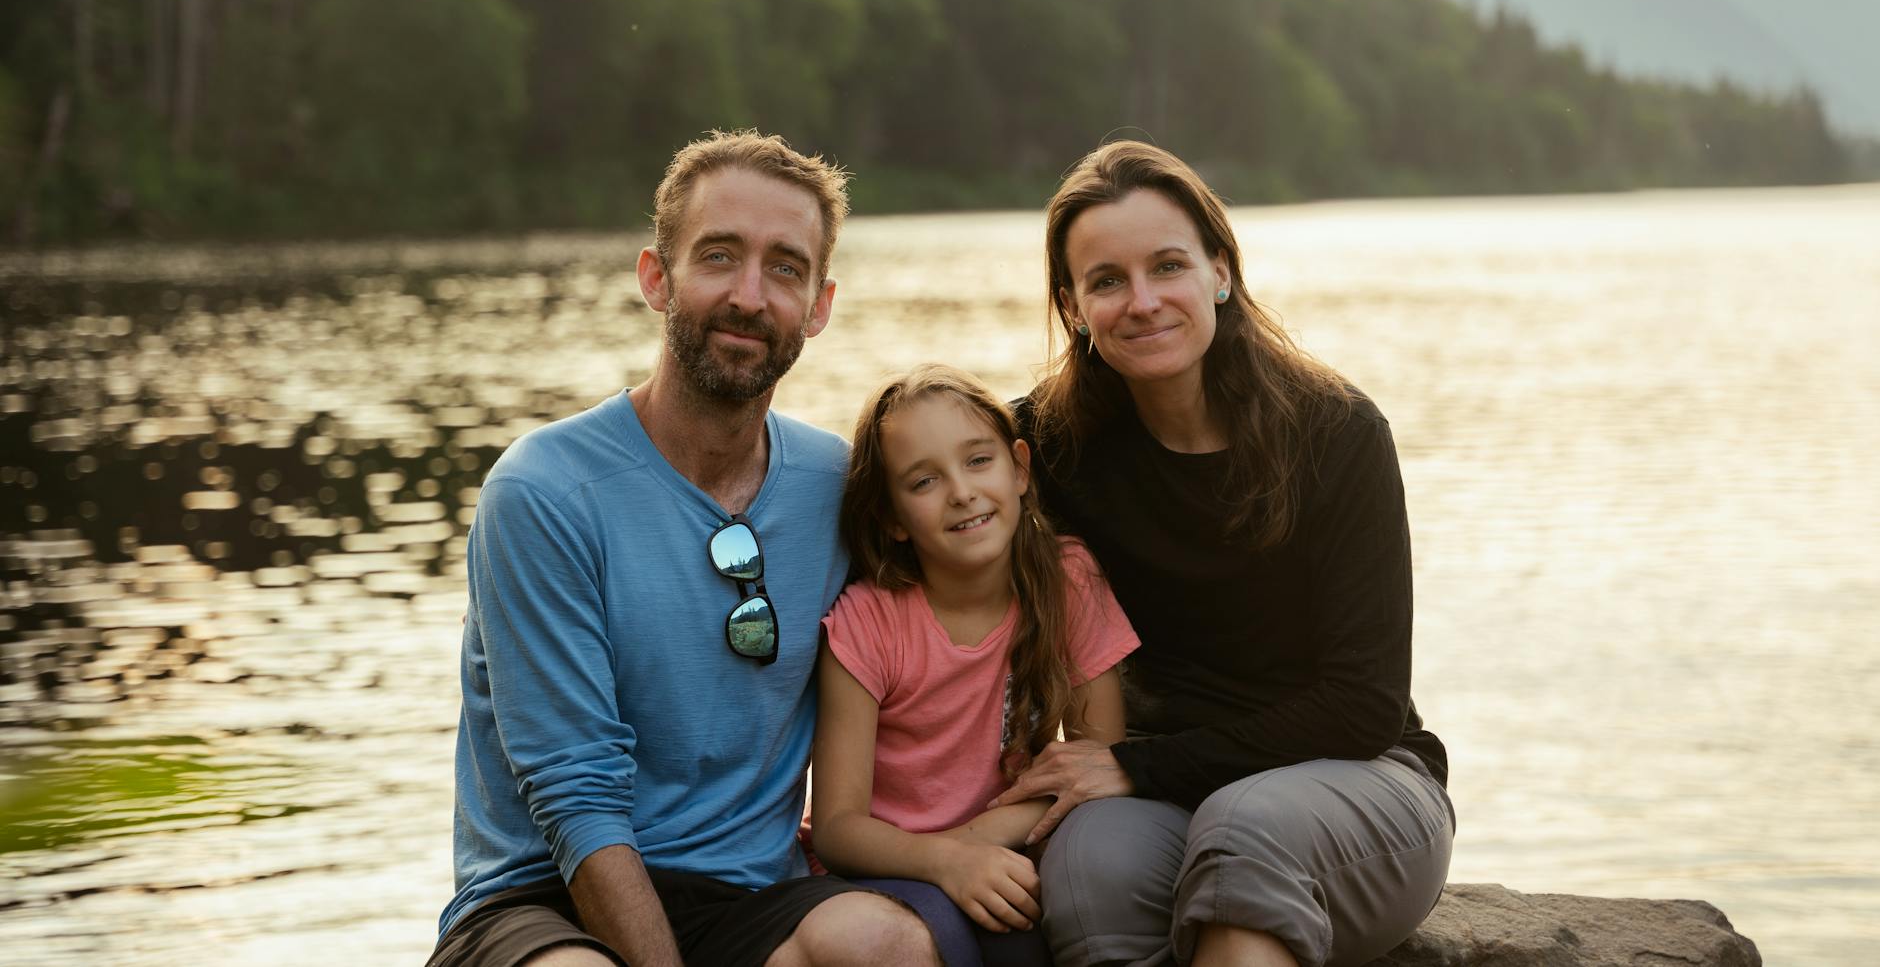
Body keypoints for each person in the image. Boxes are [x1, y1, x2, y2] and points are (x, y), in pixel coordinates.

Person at [429, 131, 941, 967]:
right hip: (540, 898)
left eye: (785, 267)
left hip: (748, 898)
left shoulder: (838, 484)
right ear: (655, 277)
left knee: (884, 943)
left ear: (819, 304)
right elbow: (575, 797)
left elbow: (966, 582)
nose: (749, 294)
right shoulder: (546, 491)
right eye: (718, 256)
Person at [998, 142, 1455, 967]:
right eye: (1106, 280)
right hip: (1159, 792)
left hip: (1360, 779)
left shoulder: (1339, 434)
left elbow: (1362, 705)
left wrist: (1136, 765)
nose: (1142, 301)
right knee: (1086, 868)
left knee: (1246, 831)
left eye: (1167, 265)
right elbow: (913, 515)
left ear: (1220, 270)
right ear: (1072, 307)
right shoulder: (1046, 446)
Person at [809, 364, 1141, 967]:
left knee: (1045, 929)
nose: (961, 491)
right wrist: (948, 859)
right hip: (887, 870)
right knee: (956, 943)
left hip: (1010, 848)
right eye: (924, 481)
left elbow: (1100, 766)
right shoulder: (869, 622)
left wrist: (981, 846)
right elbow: (835, 827)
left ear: (1019, 468)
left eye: (978, 461)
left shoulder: (1068, 581)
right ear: (891, 518)